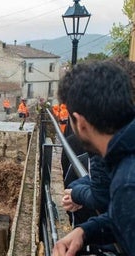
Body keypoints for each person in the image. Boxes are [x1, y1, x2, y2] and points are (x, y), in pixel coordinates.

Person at [53, 61, 135, 256]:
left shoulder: (128, 183)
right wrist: (85, 232)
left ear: (80, 123)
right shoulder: (124, 162)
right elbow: (123, 218)